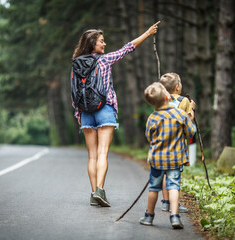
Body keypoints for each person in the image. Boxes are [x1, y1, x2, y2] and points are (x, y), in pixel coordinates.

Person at [72, 21, 161, 207]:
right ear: (92, 44)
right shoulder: (104, 60)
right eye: (101, 41)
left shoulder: (76, 64)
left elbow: (74, 91)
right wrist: (147, 34)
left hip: (85, 112)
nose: (104, 44)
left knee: (92, 156)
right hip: (105, 108)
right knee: (103, 153)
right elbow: (128, 48)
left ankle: (93, 194)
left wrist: (78, 113)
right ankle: (100, 190)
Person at [140, 82, 196, 229]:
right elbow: (191, 132)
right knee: (174, 187)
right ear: (167, 96)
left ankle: (149, 216)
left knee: (153, 188)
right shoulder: (180, 115)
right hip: (175, 159)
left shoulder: (152, 118)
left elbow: (149, 137)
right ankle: (175, 216)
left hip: (157, 160)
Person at [159, 72, 195, 213]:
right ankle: (175, 202)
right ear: (177, 87)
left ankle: (165, 202)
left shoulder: (160, 100)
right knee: (175, 175)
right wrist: (192, 109)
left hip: (162, 144)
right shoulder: (184, 101)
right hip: (177, 145)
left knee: (164, 174)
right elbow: (189, 120)